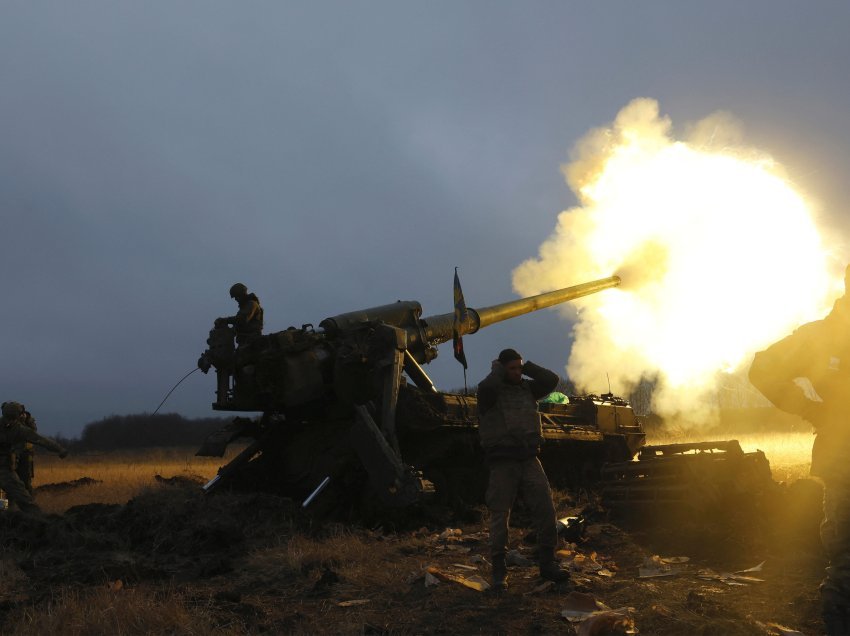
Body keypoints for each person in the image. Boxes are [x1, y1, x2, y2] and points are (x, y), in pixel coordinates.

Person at [748, 265, 850, 635]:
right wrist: (810, 409)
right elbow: (762, 369)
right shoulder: (820, 337)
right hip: (844, 458)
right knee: (847, 562)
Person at [477, 348, 570, 592]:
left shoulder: (528, 389)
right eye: (513, 368)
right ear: (500, 368)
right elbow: (488, 388)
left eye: (520, 368)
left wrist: (527, 366)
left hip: (529, 458)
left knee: (546, 511)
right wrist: (498, 370)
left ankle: (547, 564)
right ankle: (499, 572)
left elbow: (552, 380)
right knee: (500, 517)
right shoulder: (489, 392)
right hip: (502, 461)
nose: (518, 373)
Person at [0, 401, 68, 513]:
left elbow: (40, 439)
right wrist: (60, 449)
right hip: (5, 469)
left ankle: (10, 516)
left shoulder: (21, 429)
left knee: (19, 493)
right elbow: (41, 440)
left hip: (11, 465)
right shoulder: (19, 428)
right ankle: (11, 517)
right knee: (18, 497)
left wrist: (59, 449)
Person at [12, 407, 37, 494]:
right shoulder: (9, 422)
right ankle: (5, 506)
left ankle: (29, 503)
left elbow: (32, 433)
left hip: (25, 454)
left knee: (25, 480)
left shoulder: (28, 422)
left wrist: (26, 420)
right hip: (12, 454)